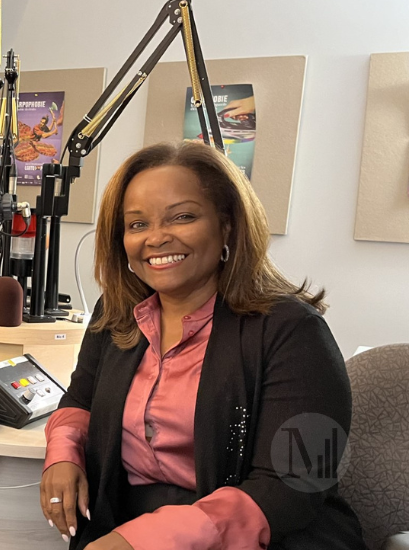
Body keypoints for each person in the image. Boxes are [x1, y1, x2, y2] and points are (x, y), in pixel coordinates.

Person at [40, 141, 366, 550]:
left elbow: (297, 484)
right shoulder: (118, 311)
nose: (156, 238)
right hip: (126, 520)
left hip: (262, 535)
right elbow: (80, 398)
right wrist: (63, 453)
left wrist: (147, 540)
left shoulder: (295, 330)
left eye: (182, 217)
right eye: (137, 224)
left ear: (226, 225)